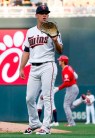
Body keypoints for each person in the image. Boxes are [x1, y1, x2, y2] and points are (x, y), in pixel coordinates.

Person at [19, 4, 63, 135]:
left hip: (48, 66)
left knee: (47, 97)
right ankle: (34, 123)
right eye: (42, 12)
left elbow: (60, 51)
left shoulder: (53, 30)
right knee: (29, 98)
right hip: (33, 67)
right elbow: (26, 51)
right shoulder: (30, 32)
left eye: (46, 13)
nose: (44, 15)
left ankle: (46, 126)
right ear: (36, 15)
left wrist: (55, 41)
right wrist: (21, 67)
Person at [54, 55, 79, 126]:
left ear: (62, 61)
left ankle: (71, 123)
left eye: (60, 60)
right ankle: (81, 99)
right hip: (74, 87)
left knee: (66, 105)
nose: (58, 61)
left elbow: (66, 83)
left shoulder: (65, 70)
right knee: (69, 106)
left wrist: (57, 89)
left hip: (71, 88)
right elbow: (76, 76)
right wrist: (72, 81)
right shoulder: (69, 67)